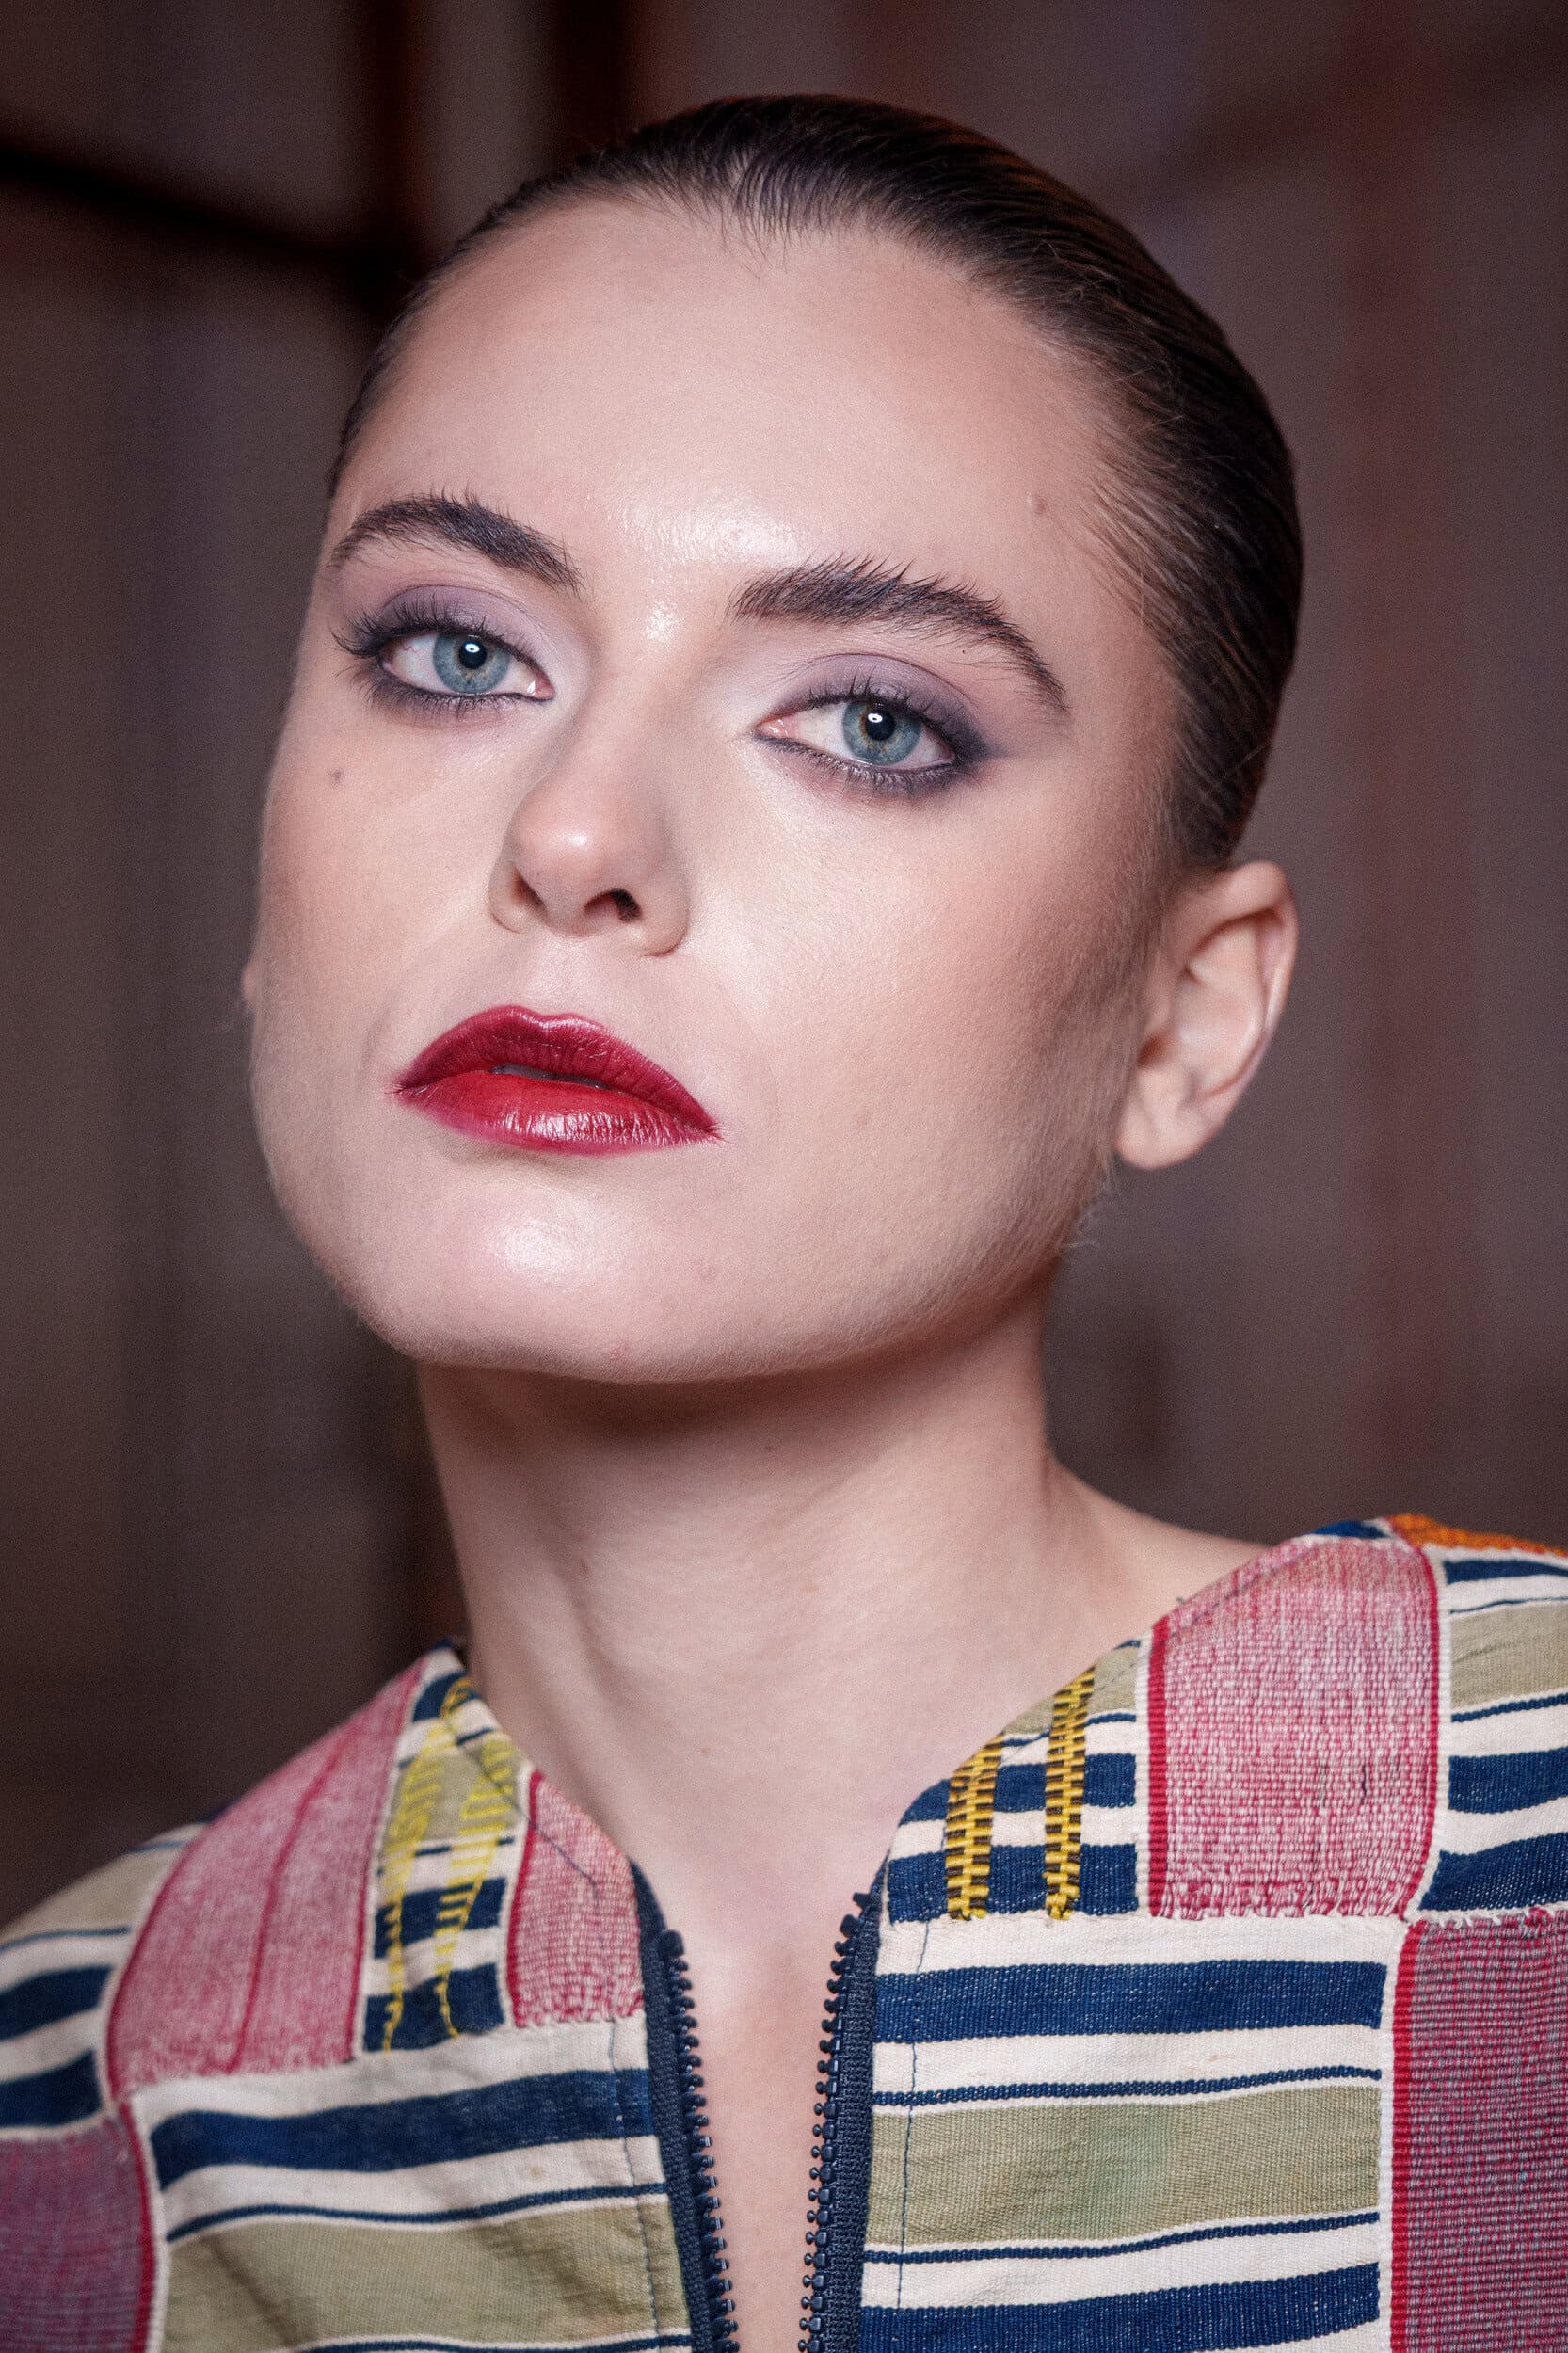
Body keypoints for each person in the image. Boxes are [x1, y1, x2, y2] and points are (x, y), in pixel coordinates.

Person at [3, 92, 1563, 2353]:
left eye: (866, 719)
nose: (572, 835)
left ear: (1182, 1016)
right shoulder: (57, 2113)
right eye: (455, 652)